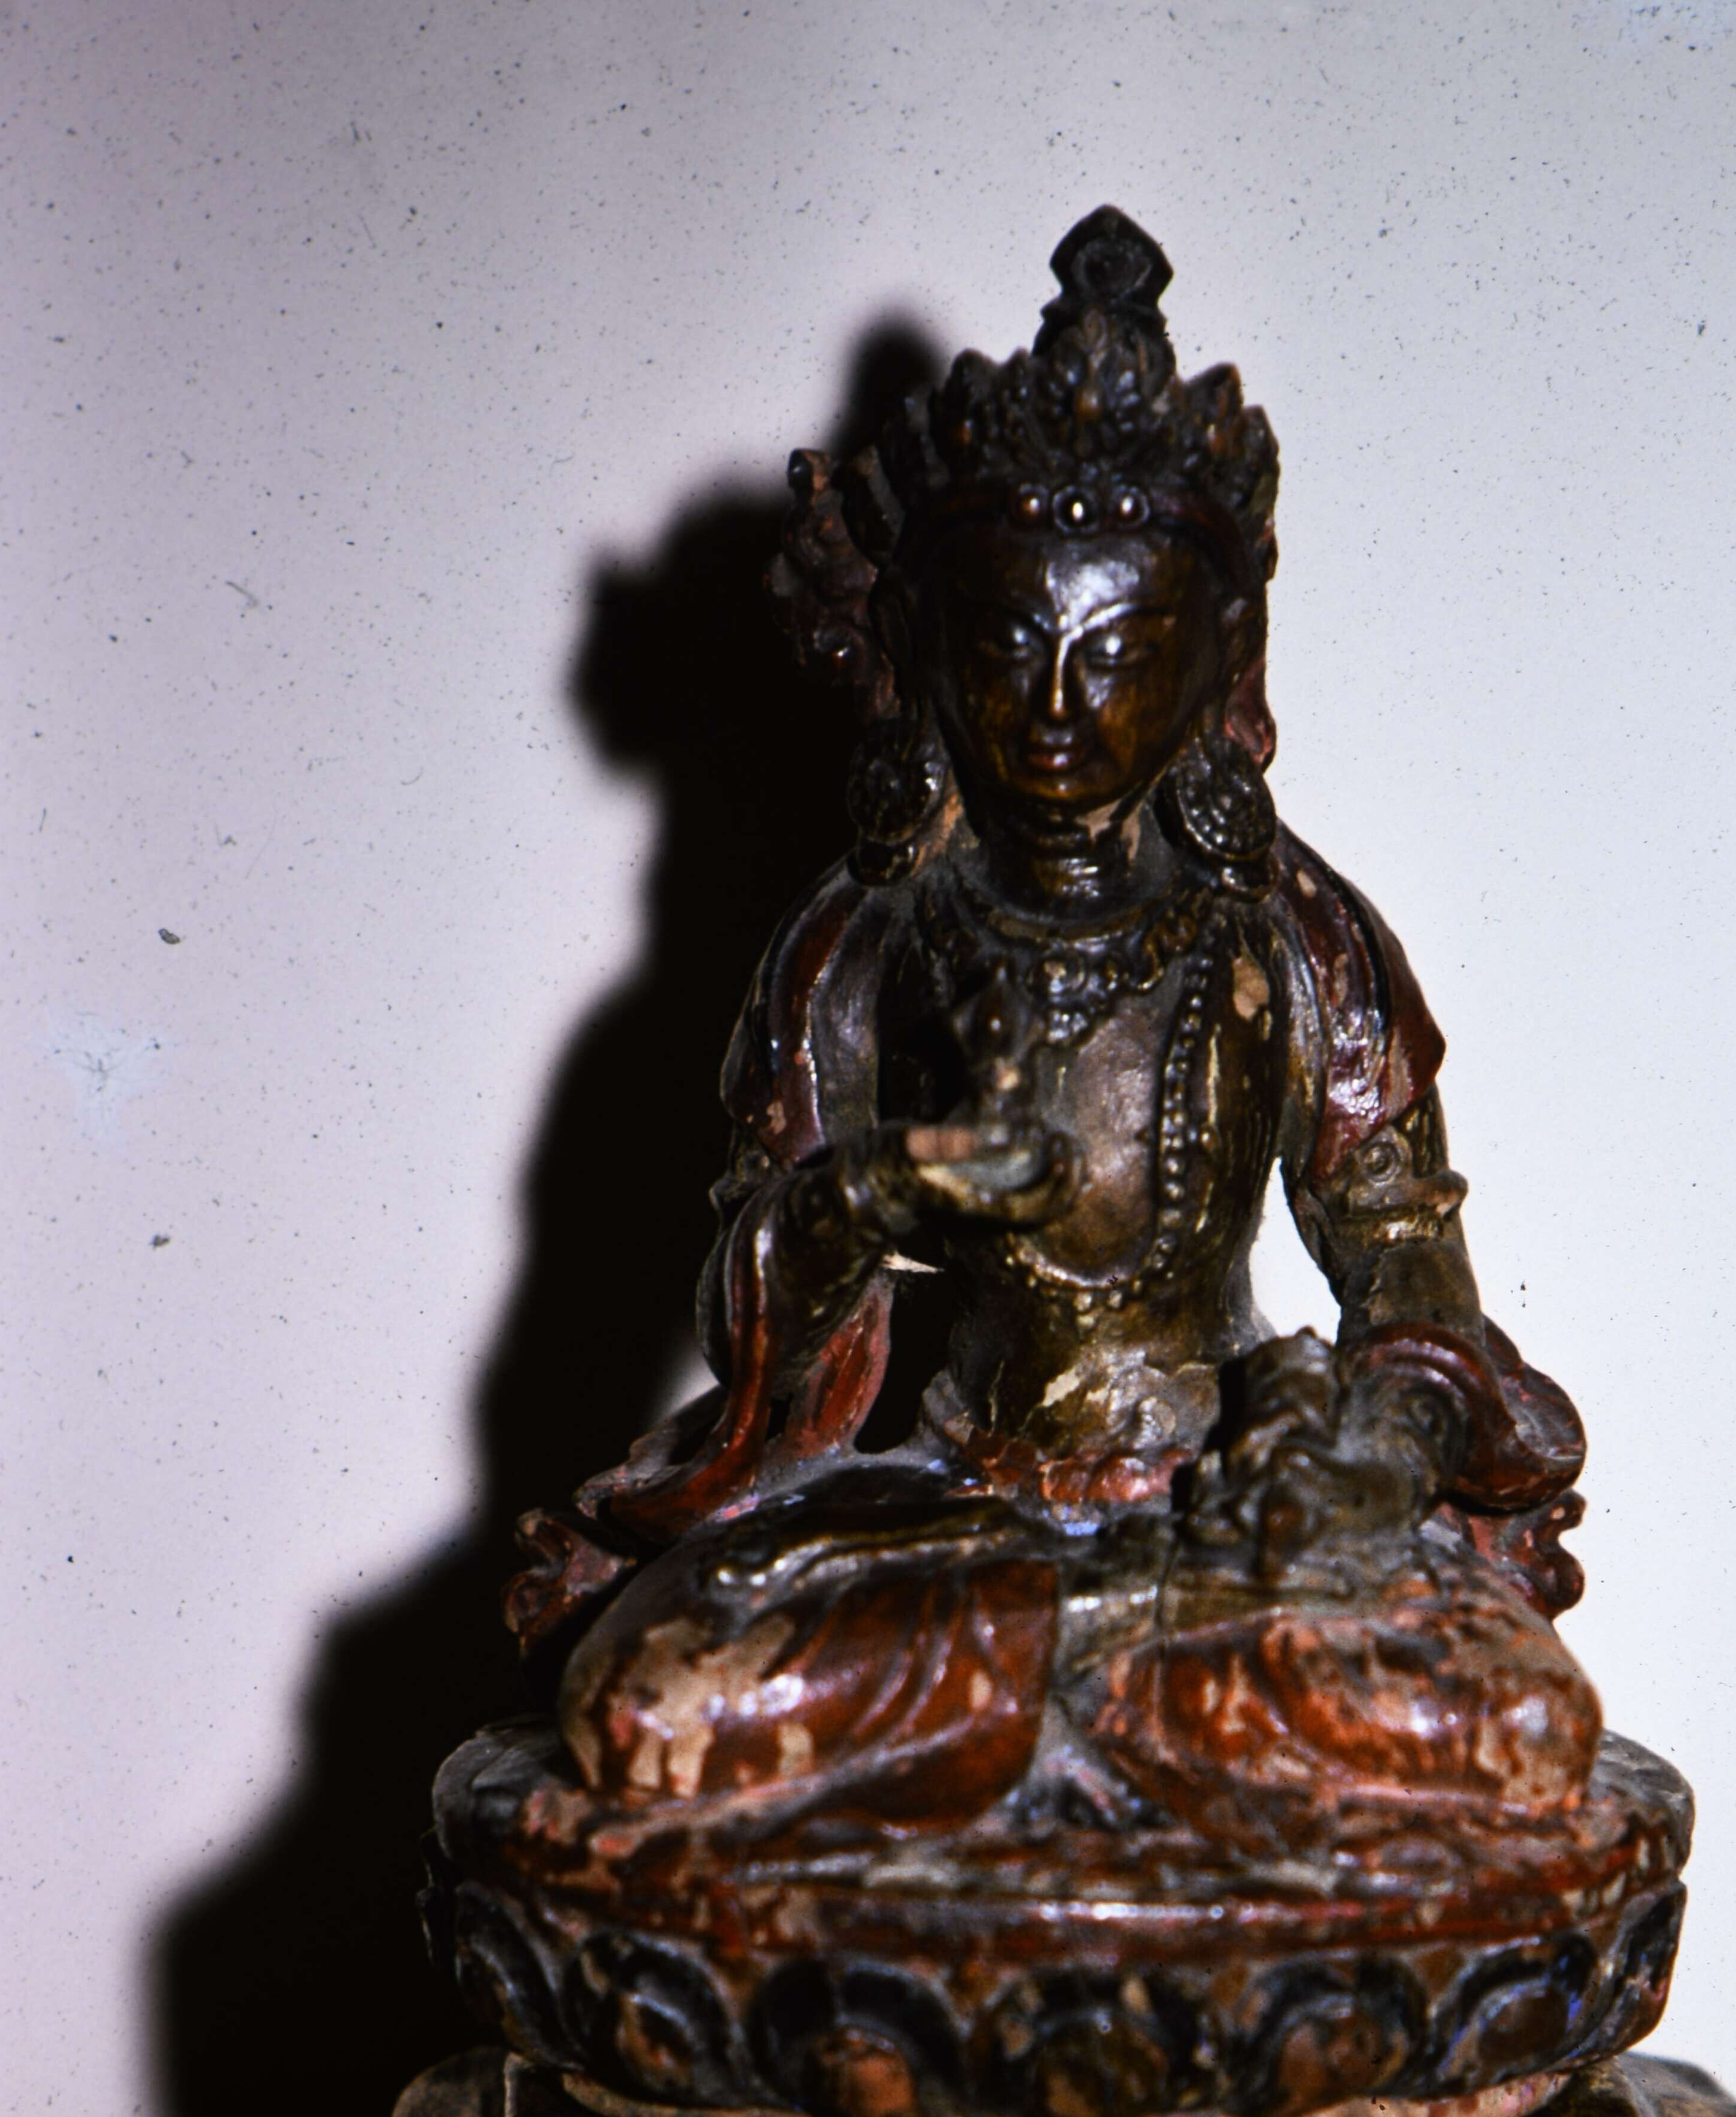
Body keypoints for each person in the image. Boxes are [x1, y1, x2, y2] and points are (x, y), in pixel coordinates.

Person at [501, 208, 1600, 1858]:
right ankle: (1110, 1736)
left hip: (1228, 1535)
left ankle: (1051, 1746)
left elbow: (1412, 1283)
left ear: (1218, 665)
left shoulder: (1291, 931)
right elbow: (749, 1326)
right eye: (1011, 646)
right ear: (931, 653)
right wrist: (879, 1195)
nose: (1059, 707)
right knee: (648, 1711)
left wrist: (1366, 1462)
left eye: (1121, 651)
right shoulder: (863, 942)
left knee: (1515, 1727)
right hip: (952, 1522)